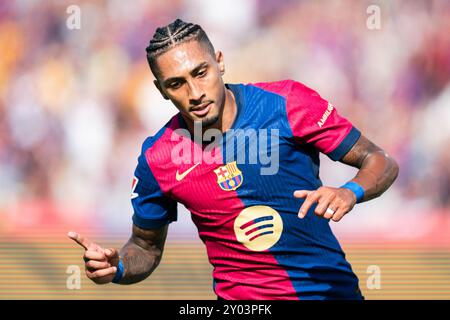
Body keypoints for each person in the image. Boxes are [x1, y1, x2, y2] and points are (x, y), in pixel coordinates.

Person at [68, 19, 399, 300]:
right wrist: (118, 266)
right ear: (160, 90)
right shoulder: (159, 157)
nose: (195, 92)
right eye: (176, 84)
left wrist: (349, 191)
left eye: (201, 72)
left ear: (220, 62)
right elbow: (145, 247)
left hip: (328, 292)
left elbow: (379, 161)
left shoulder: (286, 103)